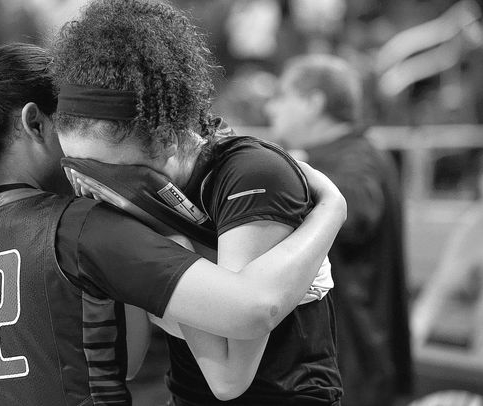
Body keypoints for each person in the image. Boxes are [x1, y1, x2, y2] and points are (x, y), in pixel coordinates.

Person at [0, 44, 346, 405]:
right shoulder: (81, 227)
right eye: (77, 124)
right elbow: (239, 329)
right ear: (36, 122)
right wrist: (328, 210)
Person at [52, 1, 343, 404]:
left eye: (105, 171)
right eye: (77, 168)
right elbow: (130, 361)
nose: (90, 186)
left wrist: (170, 246)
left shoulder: (252, 174)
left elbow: (228, 376)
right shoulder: (134, 205)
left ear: (168, 138)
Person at [265, 54, 413, 406]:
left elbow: (356, 211)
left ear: (314, 102)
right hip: (357, 361)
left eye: (282, 96)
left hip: (355, 364)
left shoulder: (352, 160)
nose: (272, 109)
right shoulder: (356, 154)